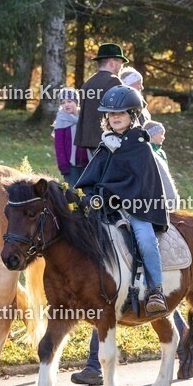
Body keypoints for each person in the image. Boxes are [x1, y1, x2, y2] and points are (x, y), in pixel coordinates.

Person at [77, 85, 168, 314]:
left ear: (133, 115)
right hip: (106, 210)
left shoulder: (141, 147)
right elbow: (90, 179)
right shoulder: (106, 145)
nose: (115, 117)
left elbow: (140, 185)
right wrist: (90, 196)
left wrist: (110, 193)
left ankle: (156, 289)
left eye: (121, 113)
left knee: (146, 239)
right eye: (111, 113)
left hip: (135, 208)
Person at [76, 43, 126, 154]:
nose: (121, 67)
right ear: (112, 63)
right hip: (109, 140)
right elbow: (119, 111)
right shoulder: (114, 81)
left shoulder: (88, 83)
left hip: (89, 139)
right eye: (120, 63)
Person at [53, 88, 89, 187]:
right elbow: (59, 145)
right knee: (73, 192)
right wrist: (63, 166)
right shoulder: (61, 119)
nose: (66, 105)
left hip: (88, 163)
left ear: (76, 102)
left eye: (70, 101)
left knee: (87, 191)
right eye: (63, 102)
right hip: (70, 166)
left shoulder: (85, 117)